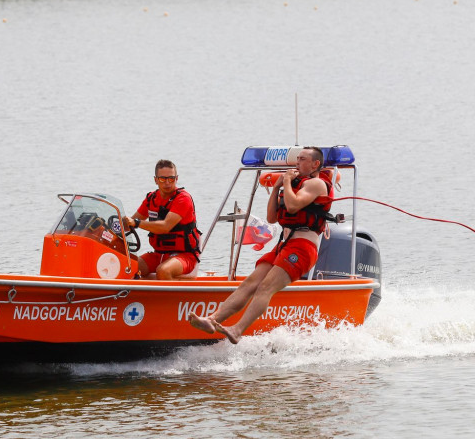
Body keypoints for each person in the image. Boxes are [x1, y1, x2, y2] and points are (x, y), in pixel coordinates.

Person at [189, 146, 333, 343]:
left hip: (303, 246)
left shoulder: (316, 184)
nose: (297, 163)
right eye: (297, 158)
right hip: (284, 243)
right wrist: (276, 188)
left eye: (302, 159)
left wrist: (288, 181)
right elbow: (272, 218)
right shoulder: (294, 185)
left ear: (315, 164)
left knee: (265, 287)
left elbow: (292, 206)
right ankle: (212, 320)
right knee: (250, 283)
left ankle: (238, 330)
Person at [122, 159, 202, 280]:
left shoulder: (183, 199)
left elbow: (165, 227)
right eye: (162, 179)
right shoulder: (151, 198)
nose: (167, 183)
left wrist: (137, 223)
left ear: (177, 179)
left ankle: (175, 298)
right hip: (158, 254)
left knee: (163, 270)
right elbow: (130, 223)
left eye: (171, 178)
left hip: (185, 256)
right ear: (155, 180)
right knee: (127, 267)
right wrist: (103, 226)